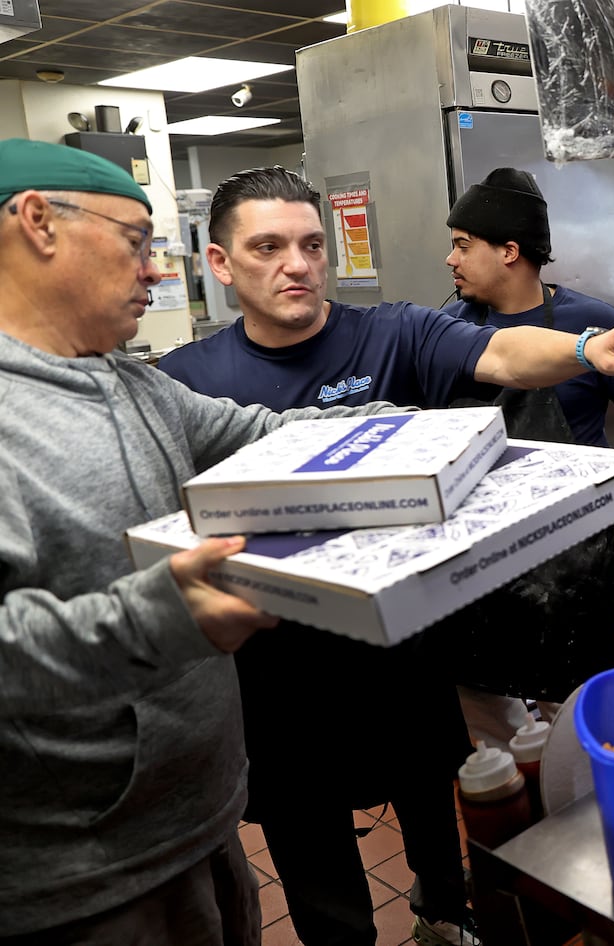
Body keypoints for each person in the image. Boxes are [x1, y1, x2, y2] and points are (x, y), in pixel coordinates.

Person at [157, 167, 614, 946]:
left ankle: (445, 921)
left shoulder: (392, 332)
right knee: (318, 872)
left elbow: (501, 355)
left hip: (404, 660)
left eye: (310, 245)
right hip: (278, 680)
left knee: (437, 831)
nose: (296, 264)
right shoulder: (186, 383)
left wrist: (585, 346)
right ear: (221, 264)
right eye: (267, 247)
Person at [0, 140, 405, 944]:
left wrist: (415, 435)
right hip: (84, 880)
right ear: (39, 222)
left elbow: (269, 436)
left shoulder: (131, 381)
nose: (153, 272)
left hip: (201, 825)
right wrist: (155, 618)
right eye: (135, 243)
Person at [439, 168, 614, 746]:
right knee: (489, 723)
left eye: (463, 245)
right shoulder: (445, 332)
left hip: (574, 551)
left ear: (510, 251)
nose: (451, 259)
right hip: (481, 553)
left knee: (578, 715)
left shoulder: (592, 324)